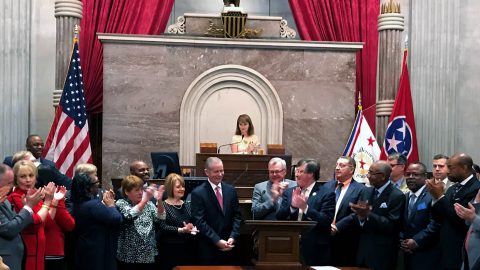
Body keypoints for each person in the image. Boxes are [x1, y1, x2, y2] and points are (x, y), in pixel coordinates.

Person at [336, 160, 405, 270]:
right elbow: (358, 215)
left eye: (370, 173)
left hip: (382, 254)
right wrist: (339, 225)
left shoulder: (397, 196)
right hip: (362, 251)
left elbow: (392, 225)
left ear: (382, 176)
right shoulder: (366, 191)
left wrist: (368, 214)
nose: (367, 176)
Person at [276, 159, 335, 266]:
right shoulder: (290, 192)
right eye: (296, 171)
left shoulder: (326, 193)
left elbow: (326, 220)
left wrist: (305, 208)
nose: (296, 175)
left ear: (311, 174)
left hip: (315, 248)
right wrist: (292, 207)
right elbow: (279, 216)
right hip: (290, 246)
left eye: (300, 171)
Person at [426, 153, 480, 269]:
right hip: (445, 248)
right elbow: (440, 218)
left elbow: (460, 221)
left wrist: (440, 197)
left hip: (461, 249)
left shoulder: (476, 188)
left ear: (464, 167)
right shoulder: (452, 188)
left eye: (451, 167)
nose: (448, 171)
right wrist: (435, 198)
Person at [191, 157, 242, 265]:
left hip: (229, 246)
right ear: (207, 172)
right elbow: (199, 221)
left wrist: (233, 236)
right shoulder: (198, 193)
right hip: (208, 247)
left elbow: (237, 216)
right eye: (216, 171)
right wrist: (217, 241)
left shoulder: (231, 190)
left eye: (222, 170)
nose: (220, 174)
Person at [7, 160, 56, 270]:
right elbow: (35, 224)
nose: (28, 180)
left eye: (31, 175)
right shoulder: (15, 197)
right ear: (15, 179)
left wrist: (53, 201)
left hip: (40, 251)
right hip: (26, 251)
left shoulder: (36, 196)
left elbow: (47, 222)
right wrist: (48, 202)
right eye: (23, 176)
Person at [71, 173, 122, 270]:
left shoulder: (79, 203)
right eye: (97, 183)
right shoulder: (93, 205)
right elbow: (116, 218)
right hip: (97, 252)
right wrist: (111, 205)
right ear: (89, 188)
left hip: (86, 249)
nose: (99, 185)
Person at [115, 175, 164, 270]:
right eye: (137, 190)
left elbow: (161, 218)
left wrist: (159, 201)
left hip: (148, 254)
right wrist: (145, 200)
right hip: (129, 256)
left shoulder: (149, 204)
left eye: (142, 189)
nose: (141, 193)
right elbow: (129, 215)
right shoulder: (121, 203)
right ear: (126, 192)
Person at [0, 164, 43, 270]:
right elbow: (9, 229)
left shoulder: (3, 198)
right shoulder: (12, 196)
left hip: (18, 256)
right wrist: (28, 207)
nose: (11, 186)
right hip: (5, 260)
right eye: (9, 183)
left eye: (31, 175)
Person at [400, 162, 441, 270]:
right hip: (406, 253)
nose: (410, 177)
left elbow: (436, 223)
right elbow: (401, 222)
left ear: (425, 177)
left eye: (415, 174)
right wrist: (403, 241)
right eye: (408, 174)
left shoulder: (432, 195)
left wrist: (416, 241)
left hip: (427, 252)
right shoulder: (404, 197)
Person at [326, 156, 365, 266]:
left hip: (346, 240)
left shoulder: (361, 189)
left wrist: (337, 226)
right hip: (325, 236)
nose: (337, 168)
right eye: (337, 165)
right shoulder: (327, 186)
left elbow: (357, 213)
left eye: (342, 166)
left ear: (351, 169)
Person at [158, 173, 197, 270]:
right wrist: (181, 230)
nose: (182, 189)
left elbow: (193, 223)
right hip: (170, 249)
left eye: (183, 186)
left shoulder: (188, 204)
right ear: (170, 188)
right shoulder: (163, 205)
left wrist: (192, 228)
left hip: (188, 247)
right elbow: (163, 227)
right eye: (178, 187)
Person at [454, 188, 480, 270]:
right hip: (468, 254)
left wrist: (474, 218)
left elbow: (474, 219)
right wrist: (476, 201)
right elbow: (468, 223)